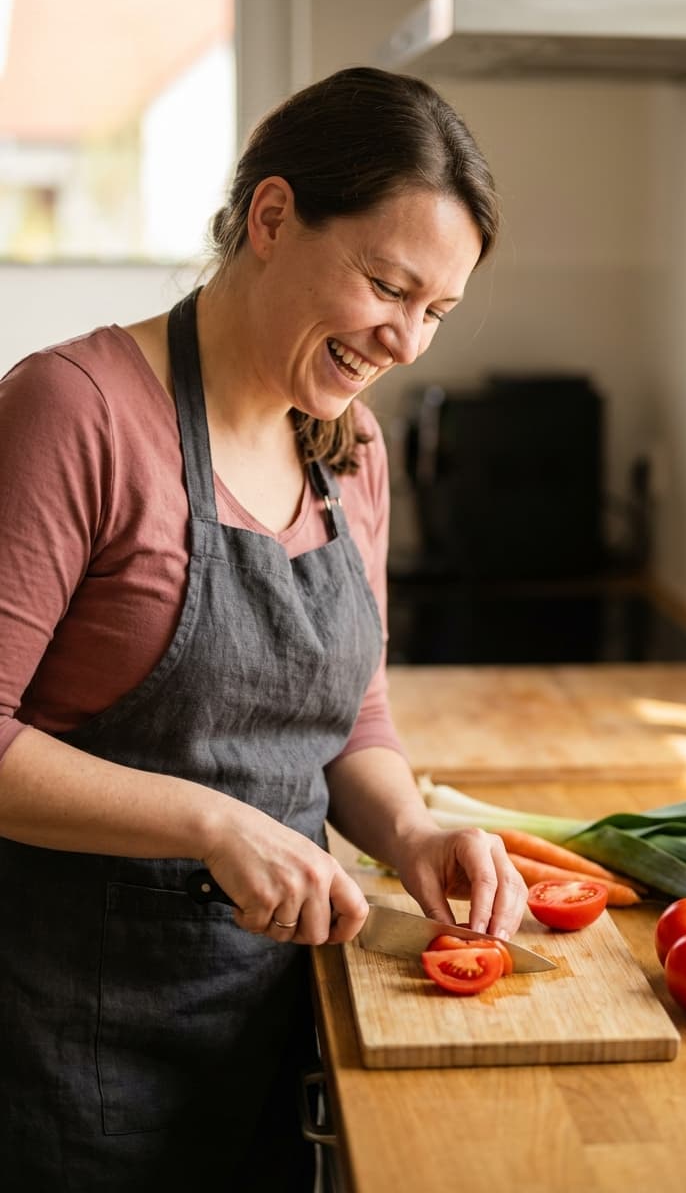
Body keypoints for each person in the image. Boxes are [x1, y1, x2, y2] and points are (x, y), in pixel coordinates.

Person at [0, 66, 527, 1191]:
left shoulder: (349, 449)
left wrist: (414, 835)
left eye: (435, 312)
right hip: (70, 1049)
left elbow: (350, 716)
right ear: (272, 217)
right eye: (387, 286)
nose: (404, 342)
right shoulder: (73, 412)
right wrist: (210, 823)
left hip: (285, 1019)